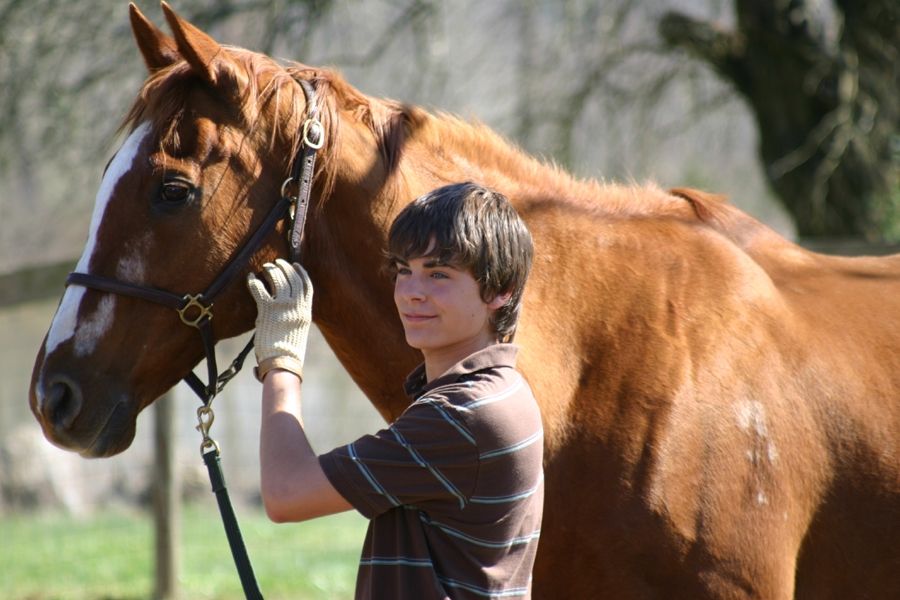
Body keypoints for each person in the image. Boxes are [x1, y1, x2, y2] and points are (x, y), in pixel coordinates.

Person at [246, 181, 543, 599]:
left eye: (438, 274)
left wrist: (281, 359)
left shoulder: (462, 415)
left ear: (500, 290)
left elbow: (286, 493)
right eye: (404, 270)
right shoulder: (503, 388)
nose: (411, 292)